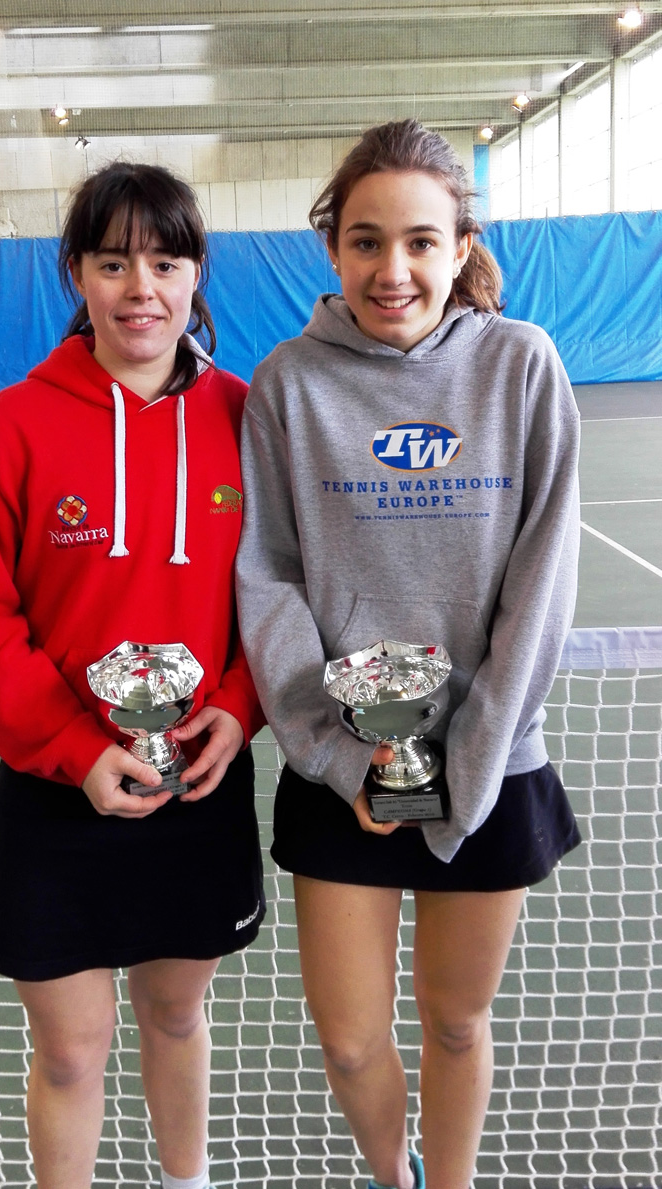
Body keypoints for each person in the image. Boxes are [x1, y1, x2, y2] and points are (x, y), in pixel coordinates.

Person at [235, 119, 581, 1189]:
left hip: (487, 766)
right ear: (331, 248)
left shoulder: (521, 366)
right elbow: (267, 575)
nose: (393, 271)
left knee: (455, 1024)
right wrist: (345, 761)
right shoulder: (286, 384)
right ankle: (395, 1178)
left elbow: (541, 581)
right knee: (347, 1041)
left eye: (420, 242)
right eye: (365, 241)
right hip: (340, 778)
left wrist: (465, 764)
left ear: (457, 245)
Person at [0, 161, 265, 1189]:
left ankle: (186, 1181)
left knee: (175, 1013)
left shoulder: (247, 417)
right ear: (76, 272)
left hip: (198, 778)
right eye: (113, 261)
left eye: (165, 262)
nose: (141, 289)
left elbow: (285, 593)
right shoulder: (11, 426)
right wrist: (78, 750)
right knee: (72, 1047)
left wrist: (239, 709)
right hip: (56, 788)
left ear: (195, 272)